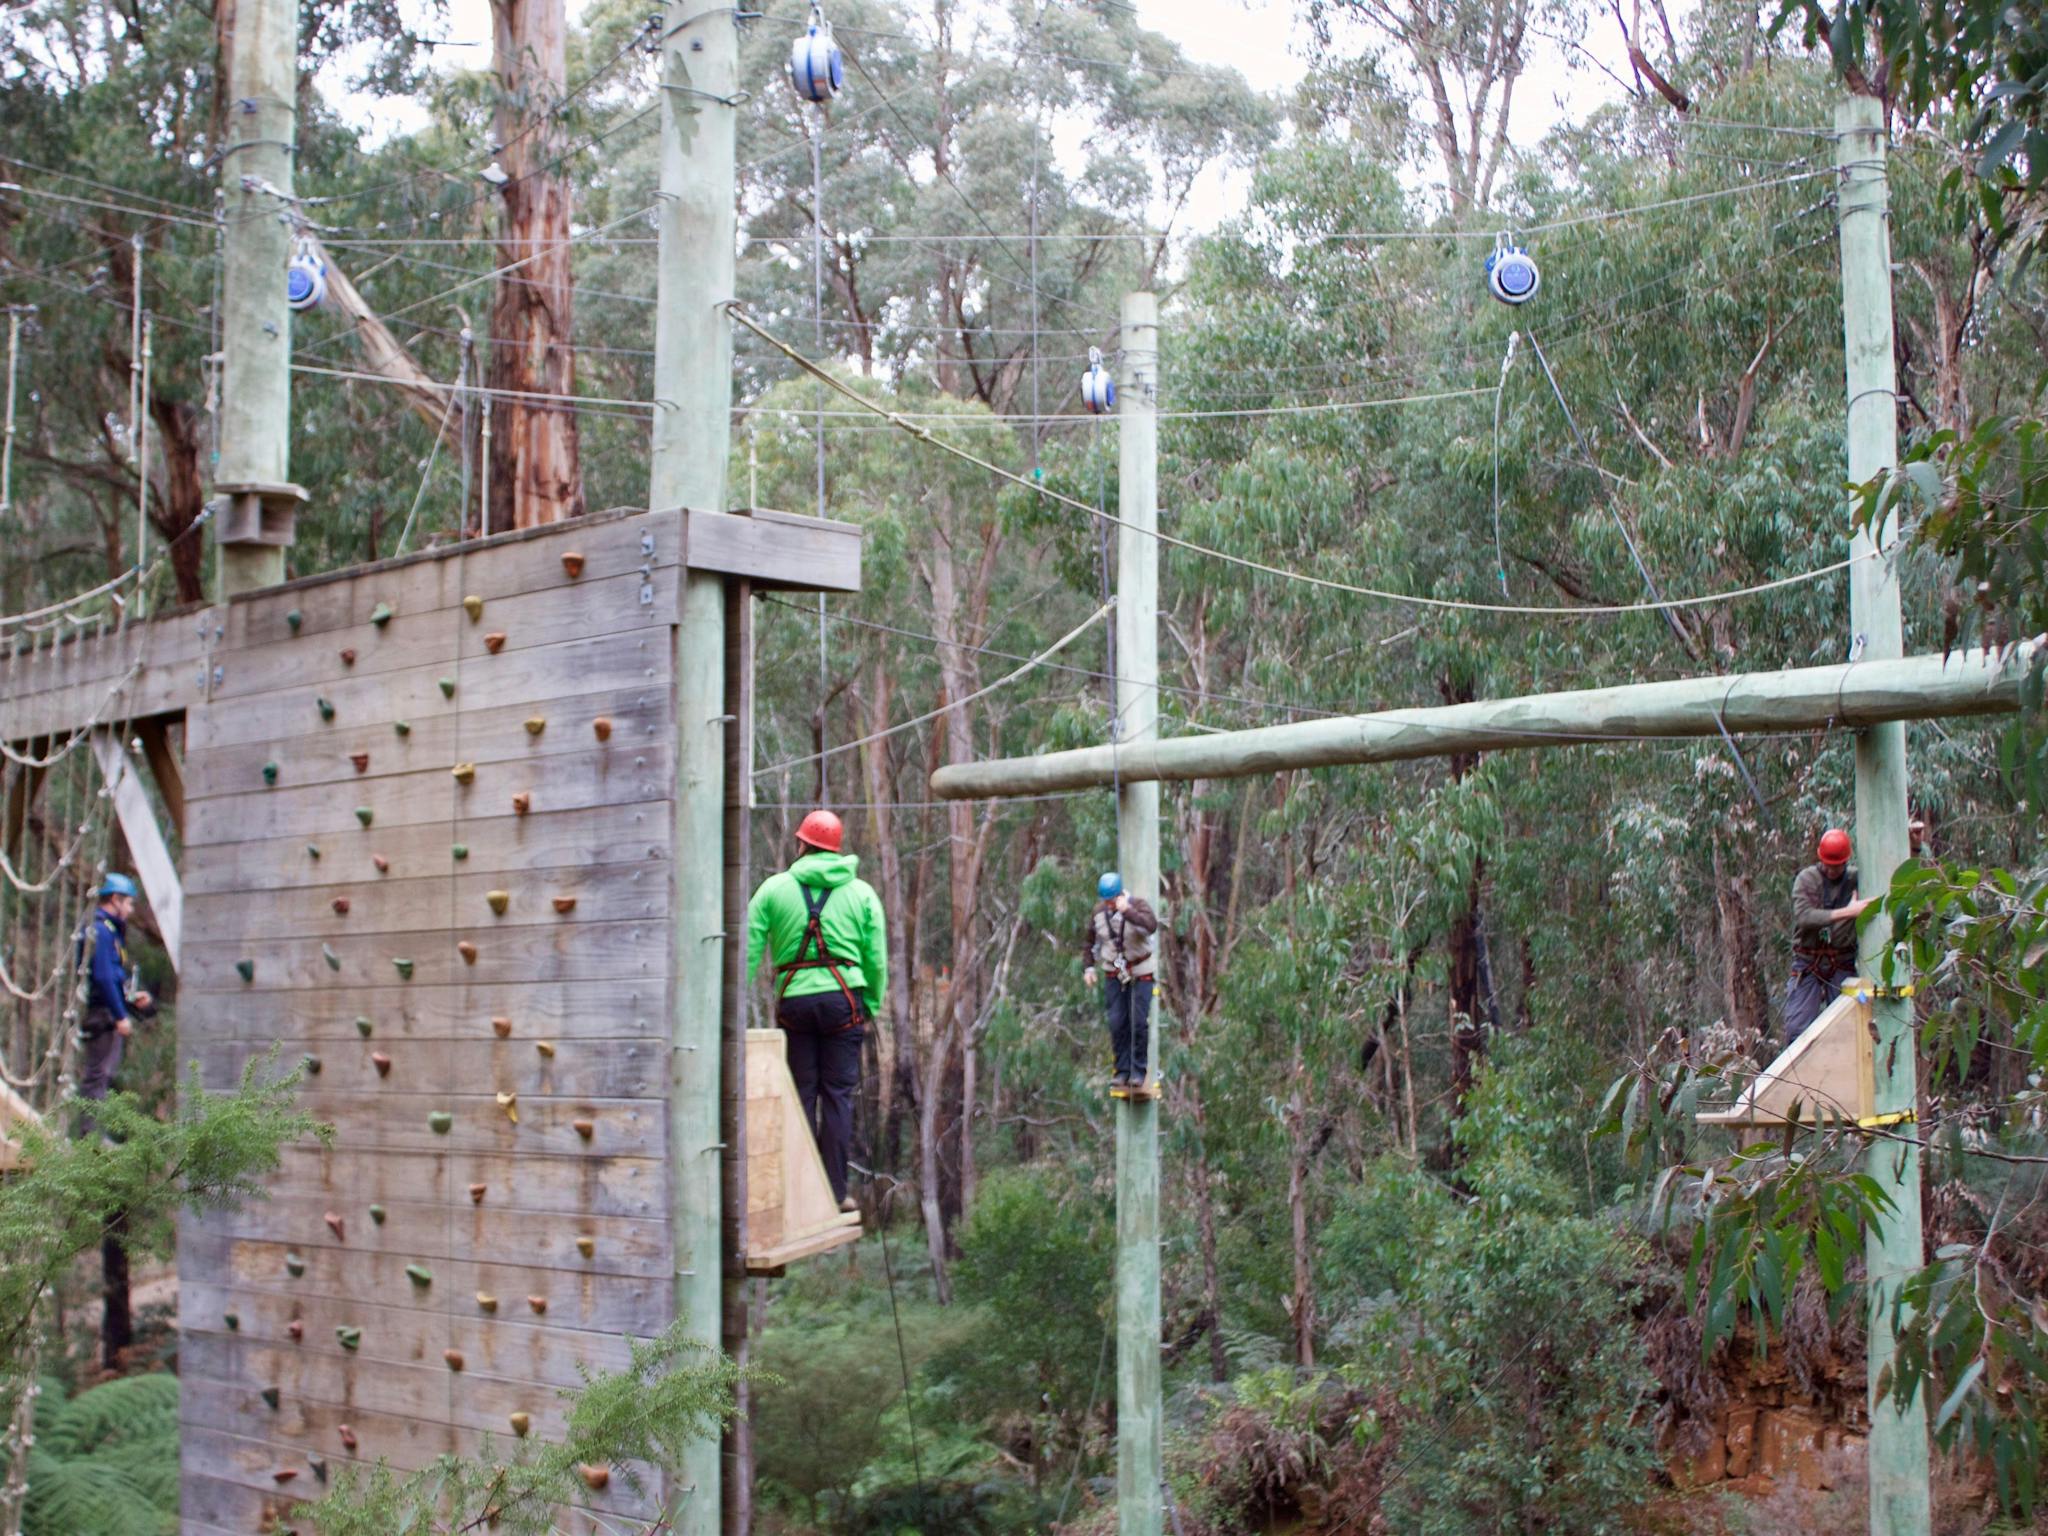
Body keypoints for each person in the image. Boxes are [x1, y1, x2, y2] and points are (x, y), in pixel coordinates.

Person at [745, 810, 887, 1211]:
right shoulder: (861, 894)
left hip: (795, 1002)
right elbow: (876, 958)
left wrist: (733, 1004)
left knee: (802, 1094)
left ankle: (798, 1193)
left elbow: (749, 949)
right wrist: (870, 1003)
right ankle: (836, 1194)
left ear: (801, 844)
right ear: (836, 848)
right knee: (838, 1096)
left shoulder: (773, 890)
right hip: (845, 1001)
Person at [1783, 828, 1870, 1042]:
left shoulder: (1855, 879)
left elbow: (1890, 877)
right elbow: (1805, 916)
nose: (1832, 871)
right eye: (1828, 866)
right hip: (1808, 963)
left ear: (1845, 861)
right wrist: (1849, 911)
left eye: (1837, 866)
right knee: (1797, 1030)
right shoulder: (1807, 879)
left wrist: (1914, 847)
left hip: (1841, 962)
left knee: (1849, 1029)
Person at [77, 872, 154, 1104]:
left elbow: (111, 975)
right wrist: (121, 1015)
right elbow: (103, 976)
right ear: (115, 899)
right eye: (129, 903)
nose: (131, 910)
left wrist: (129, 999)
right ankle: (87, 1137)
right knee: (98, 1076)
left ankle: (91, 1134)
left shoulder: (108, 931)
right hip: (103, 1014)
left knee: (103, 1075)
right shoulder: (101, 931)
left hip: (106, 1010)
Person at [1082, 872, 1159, 1092]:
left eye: (1112, 900)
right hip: (1114, 972)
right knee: (1117, 1022)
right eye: (1105, 901)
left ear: (1119, 895)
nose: (1109, 905)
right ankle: (1121, 1070)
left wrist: (1128, 911)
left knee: (1138, 1022)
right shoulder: (1098, 914)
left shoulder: (1138, 906)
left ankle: (1138, 1071)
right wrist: (1088, 968)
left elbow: (1150, 926)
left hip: (1140, 970)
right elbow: (1089, 943)